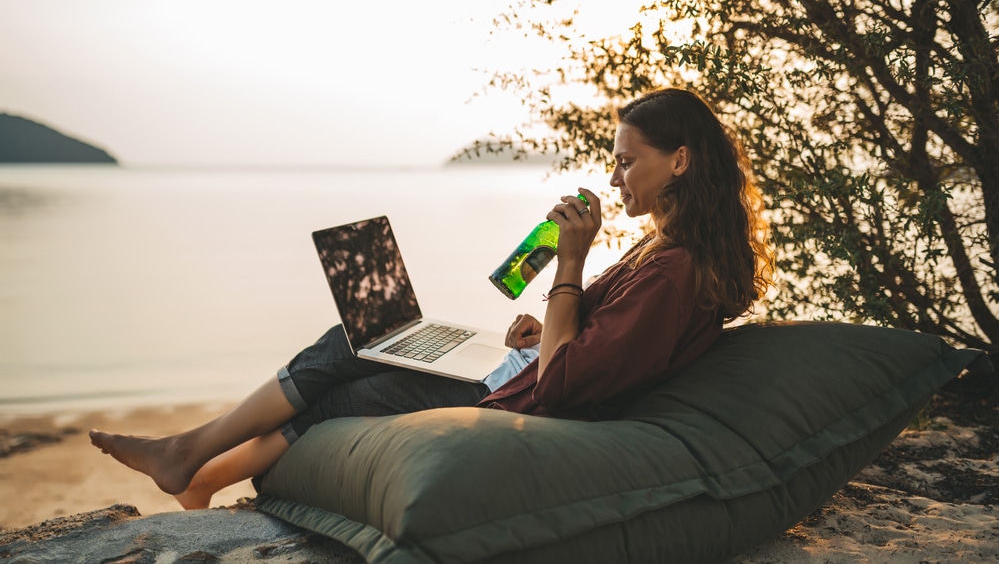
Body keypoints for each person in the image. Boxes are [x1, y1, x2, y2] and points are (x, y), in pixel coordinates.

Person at [90, 88, 772, 510]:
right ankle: (198, 473)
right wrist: (548, 324)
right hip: (520, 375)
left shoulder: (673, 268)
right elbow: (593, 343)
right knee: (367, 340)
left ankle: (190, 458)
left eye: (626, 160)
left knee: (349, 363)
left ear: (678, 161)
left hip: (526, 404)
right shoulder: (666, 251)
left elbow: (567, 385)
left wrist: (569, 262)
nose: (613, 175)